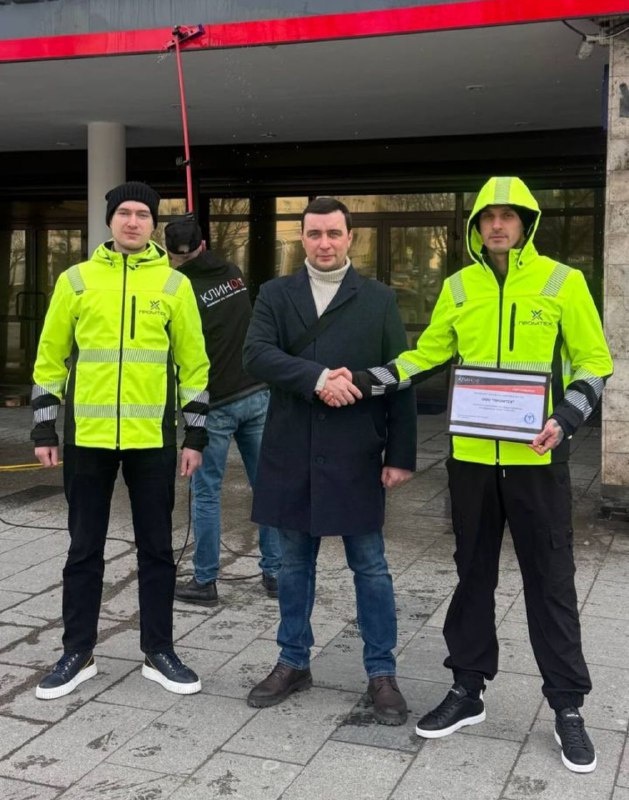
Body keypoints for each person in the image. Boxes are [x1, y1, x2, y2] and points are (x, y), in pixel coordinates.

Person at [344, 176, 613, 771]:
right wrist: (365, 379)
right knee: (472, 577)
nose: (497, 225)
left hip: (537, 459)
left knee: (551, 581)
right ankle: (468, 688)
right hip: (471, 461)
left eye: (508, 216)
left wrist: (566, 418)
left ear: (526, 224)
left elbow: (594, 362)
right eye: (488, 216)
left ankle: (567, 706)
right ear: (475, 226)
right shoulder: (459, 286)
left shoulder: (562, 282)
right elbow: (427, 354)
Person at [31, 181, 210, 699]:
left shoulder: (174, 285)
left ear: (154, 224)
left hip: (152, 439)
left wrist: (195, 434)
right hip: (87, 439)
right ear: (110, 220)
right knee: (83, 549)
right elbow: (49, 356)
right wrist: (44, 426)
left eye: (143, 214)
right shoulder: (76, 281)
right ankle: (77, 652)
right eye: (124, 213)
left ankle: (159, 651)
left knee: (157, 549)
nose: (133, 222)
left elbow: (194, 365)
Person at [242, 196, 417, 725]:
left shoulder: (378, 299)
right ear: (302, 238)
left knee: (371, 567)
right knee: (293, 565)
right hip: (291, 450)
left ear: (350, 238)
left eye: (333, 233)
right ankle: (293, 661)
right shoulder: (275, 294)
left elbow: (400, 376)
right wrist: (318, 379)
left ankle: (381, 672)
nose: (324, 243)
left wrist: (400, 454)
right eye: (314, 233)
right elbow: (256, 354)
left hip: (356, 452)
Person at [164, 215, 281, 605]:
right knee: (267, 486)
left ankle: (205, 581)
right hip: (256, 392)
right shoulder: (232, 273)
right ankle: (276, 573)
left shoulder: (178, 289)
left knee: (206, 494)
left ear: (169, 252)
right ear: (203, 244)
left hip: (213, 403)